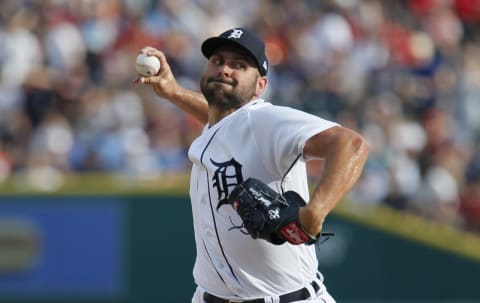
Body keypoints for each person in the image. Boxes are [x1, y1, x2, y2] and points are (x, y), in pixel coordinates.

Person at [136, 28, 369, 303]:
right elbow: (225, 123)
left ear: (260, 86)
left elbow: (351, 144)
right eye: (218, 61)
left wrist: (313, 213)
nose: (224, 70)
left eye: (239, 65)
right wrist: (174, 92)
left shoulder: (266, 120)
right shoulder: (225, 125)